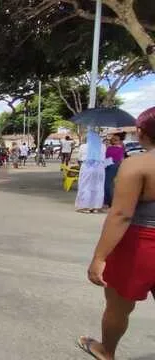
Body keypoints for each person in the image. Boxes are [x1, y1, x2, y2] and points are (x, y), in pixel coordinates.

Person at [78, 107, 155, 360]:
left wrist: (99, 257)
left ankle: (106, 351)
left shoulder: (137, 165)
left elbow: (120, 215)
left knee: (118, 307)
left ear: (142, 132)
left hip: (141, 243)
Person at [75, 130, 107, 213]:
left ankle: (84, 206)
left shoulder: (83, 146)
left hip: (87, 167)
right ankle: (96, 207)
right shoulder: (103, 146)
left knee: (85, 185)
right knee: (98, 186)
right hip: (100, 168)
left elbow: (79, 157)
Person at [104, 133, 125, 208]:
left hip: (114, 166)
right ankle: (107, 201)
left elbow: (121, 159)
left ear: (119, 141)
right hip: (106, 165)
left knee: (107, 184)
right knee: (108, 183)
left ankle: (109, 202)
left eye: (116, 139)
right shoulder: (109, 147)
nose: (113, 140)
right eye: (112, 139)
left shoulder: (120, 148)